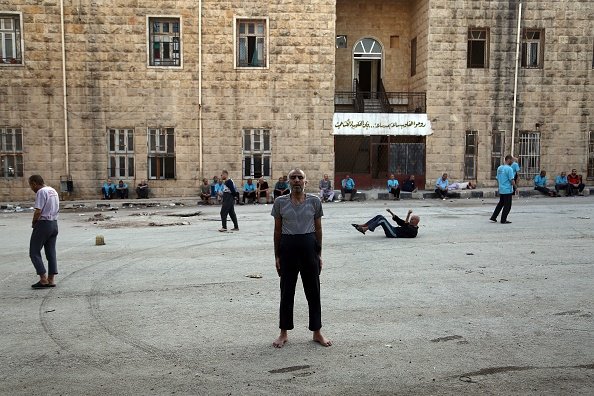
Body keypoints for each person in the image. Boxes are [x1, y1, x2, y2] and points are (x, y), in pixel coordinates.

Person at [271, 168, 331, 348]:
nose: (296, 180)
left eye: (300, 177)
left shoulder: (314, 201)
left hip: (309, 248)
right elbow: (277, 230)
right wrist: (277, 256)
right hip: (288, 249)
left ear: (306, 181)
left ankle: (317, 331)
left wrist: (319, 254)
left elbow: (318, 228)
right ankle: (283, 332)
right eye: (293, 177)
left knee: (313, 291)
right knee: (286, 292)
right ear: (288, 181)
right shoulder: (280, 202)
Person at [28, 175, 60, 288]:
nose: (31, 188)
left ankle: (43, 279)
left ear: (34, 183)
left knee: (34, 252)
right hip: (54, 224)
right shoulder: (53, 190)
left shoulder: (41, 192)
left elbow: (38, 211)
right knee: (51, 252)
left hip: (43, 223)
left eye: (31, 185)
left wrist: (33, 223)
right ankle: (51, 279)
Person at [351, 208, 419, 238]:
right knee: (379, 216)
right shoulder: (409, 224)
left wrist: (408, 214)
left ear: (417, 221)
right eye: (411, 219)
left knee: (382, 220)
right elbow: (398, 220)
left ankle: (365, 229)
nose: (411, 220)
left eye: (412, 219)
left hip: (394, 234)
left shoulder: (414, 231)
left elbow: (406, 225)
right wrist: (390, 212)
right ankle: (364, 225)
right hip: (393, 230)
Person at [490, 155, 516, 224]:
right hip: (507, 190)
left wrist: (500, 186)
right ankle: (503, 219)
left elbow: (497, 178)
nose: (512, 162)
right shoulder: (509, 169)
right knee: (508, 206)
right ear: (508, 160)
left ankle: (493, 217)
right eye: (512, 160)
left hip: (501, 189)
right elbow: (511, 180)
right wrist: (515, 187)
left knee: (501, 204)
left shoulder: (499, 168)